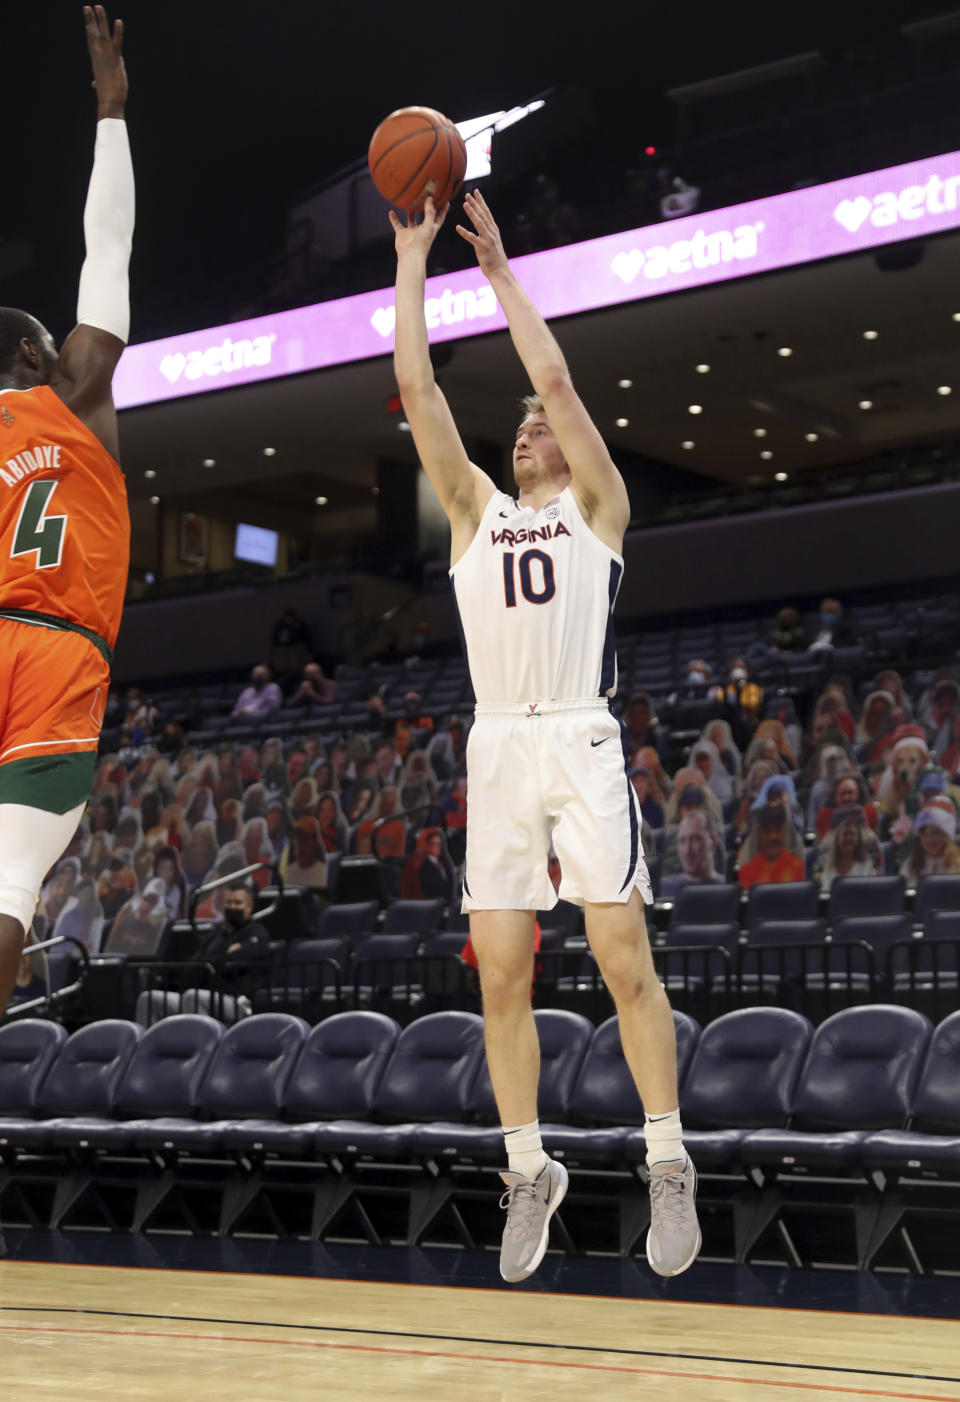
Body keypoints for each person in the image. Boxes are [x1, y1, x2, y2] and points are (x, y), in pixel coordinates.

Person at [391, 188, 699, 1283]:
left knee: (623, 960)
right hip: (499, 745)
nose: (527, 427)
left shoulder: (598, 506)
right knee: (503, 979)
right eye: (516, 424)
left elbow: (558, 380)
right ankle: (529, 1170)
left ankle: (667, 1156)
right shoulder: (473, 511)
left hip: (580, 734)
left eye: (538, 425)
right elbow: (418, 387)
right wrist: (413, 257)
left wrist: (501, 273)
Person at [0, 8, 134, 1019]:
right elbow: (107, 248)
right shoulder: (76, 390)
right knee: (8, 887)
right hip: (54, 652)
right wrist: (111, 114)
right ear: (36, 355)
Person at [193, 880, 270, 969]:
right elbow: (195, 962)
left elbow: (243, 957)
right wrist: (226, 953)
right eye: (228, 902)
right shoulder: (216, 933)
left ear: (249, 906)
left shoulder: (257, 932)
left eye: (238, 903)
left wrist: (214, 959)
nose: (232, 907)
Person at [659, 810, 726, 895]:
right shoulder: (664, 888)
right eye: (682, 841)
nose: (687, 850)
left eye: (695, 839)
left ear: (713, 843)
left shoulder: (727, 889)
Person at [737, 807, 805, 889]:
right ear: (759, 833)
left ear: (784, 831)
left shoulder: (799, 868)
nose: (772, 837)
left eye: (778, 829)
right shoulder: (746, 872)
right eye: (767, 830)